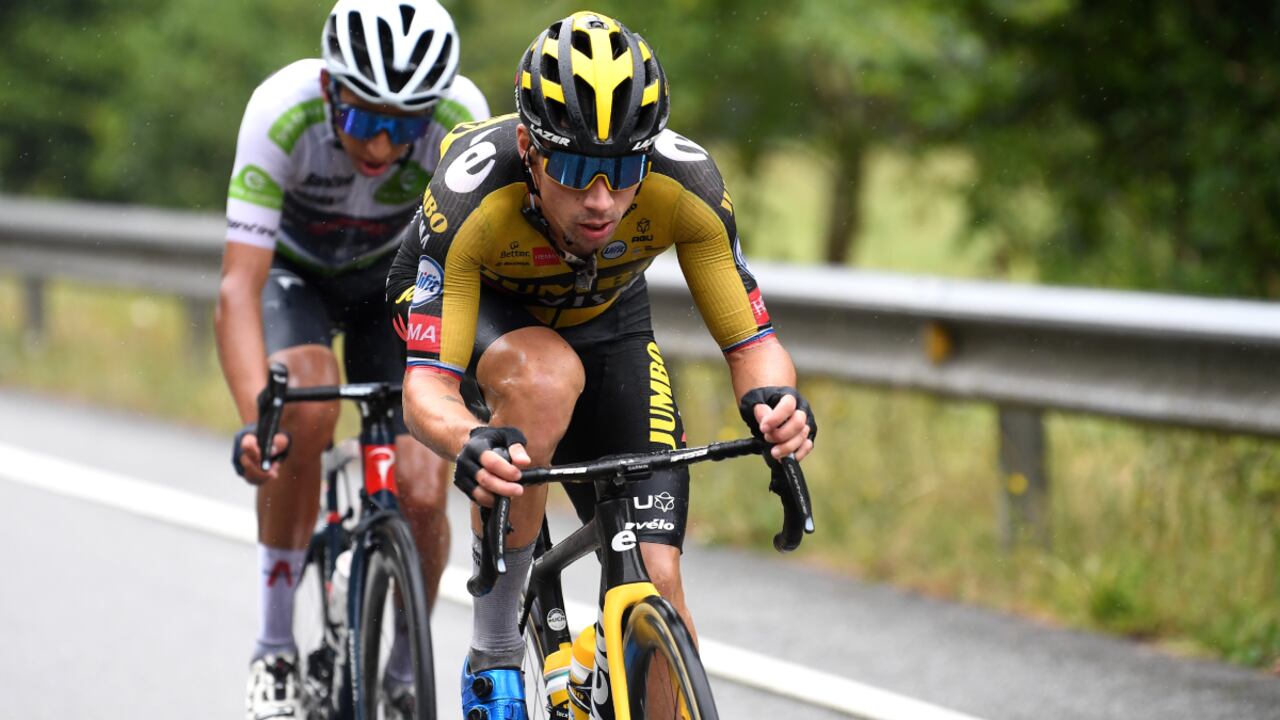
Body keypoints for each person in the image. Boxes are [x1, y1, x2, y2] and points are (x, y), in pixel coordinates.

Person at [386, 10, 816, 719]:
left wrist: (775, 400)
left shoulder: (688, 183)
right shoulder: (472, 197)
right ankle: (493, 653)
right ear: (527, 146)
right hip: (482, 311)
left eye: (622, 173)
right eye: (579, 170)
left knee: (660, 579)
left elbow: (752, 343)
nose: (601, 201)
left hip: (609, 325)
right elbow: (426, 391)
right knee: (546, 377)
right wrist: (469, 440)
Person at [215, 0, 489, 717]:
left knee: (426, 487)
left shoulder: (461, 116)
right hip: (293, 279)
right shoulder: (282, 110)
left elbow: (471, 275)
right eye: (366, 119)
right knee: (302, 406)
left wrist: (470, 386)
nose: (380, 146)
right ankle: (275, 649)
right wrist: (258, 421)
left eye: (404, 128)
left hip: (394, 288)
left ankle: (404, 668)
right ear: (333, 90)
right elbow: (238, 288)